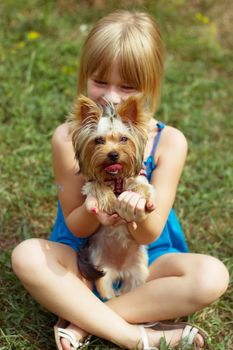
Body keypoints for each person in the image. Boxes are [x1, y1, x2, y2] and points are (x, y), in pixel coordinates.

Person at [11, 10, 229, 350]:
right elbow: (77, 226)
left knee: (212, 276)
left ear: (149, 88)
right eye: (100, 82)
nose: (112, 96)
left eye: (127, 87)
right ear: (84, 77)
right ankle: (135, 335)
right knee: (26, 255)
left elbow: (150, 232)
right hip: (84, 259)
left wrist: (137, 214)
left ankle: (83, 319)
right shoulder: (67, 138)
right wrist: (94, 211)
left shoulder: (170, 141)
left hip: (149, 260)